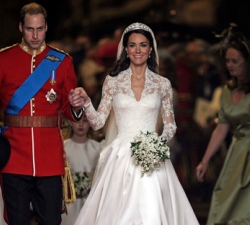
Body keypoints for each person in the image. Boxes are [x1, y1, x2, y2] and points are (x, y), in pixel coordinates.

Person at [70, 22, 199, 224]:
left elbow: (170, 124)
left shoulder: (162, 84)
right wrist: (87, 103)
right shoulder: (112, 81)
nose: (138, 50)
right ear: (126, 50)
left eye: (143, 45)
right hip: (120, 156)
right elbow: (98, 123)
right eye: (132, 45)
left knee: (151, 207)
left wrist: (157, 143)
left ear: (150, 49)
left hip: (152, 156)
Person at [0, 2, 84, 225]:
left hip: (50, 156)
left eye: (40, 29)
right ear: (20, 27)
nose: (35, 35)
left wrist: (76, 105)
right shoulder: (1, 61)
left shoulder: (62, 62)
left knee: (51, 221)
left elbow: (69, 111)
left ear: (47, 27)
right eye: (29, 29)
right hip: (14, 155)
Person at [196, 27, 250, 225]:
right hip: (236, 154)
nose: (230, 66)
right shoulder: (227, 91)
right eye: (227, 61)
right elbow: (221, 128)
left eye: (235, 61)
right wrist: (205, 160)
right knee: (225, 200)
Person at [61, 116, 102, 225]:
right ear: (70, 122)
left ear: (90, 124)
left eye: (85, 121)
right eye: (76, 121)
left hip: (90, 199)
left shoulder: (98, 148)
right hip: (70, 201)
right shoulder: (64, 147)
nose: (80, 125)